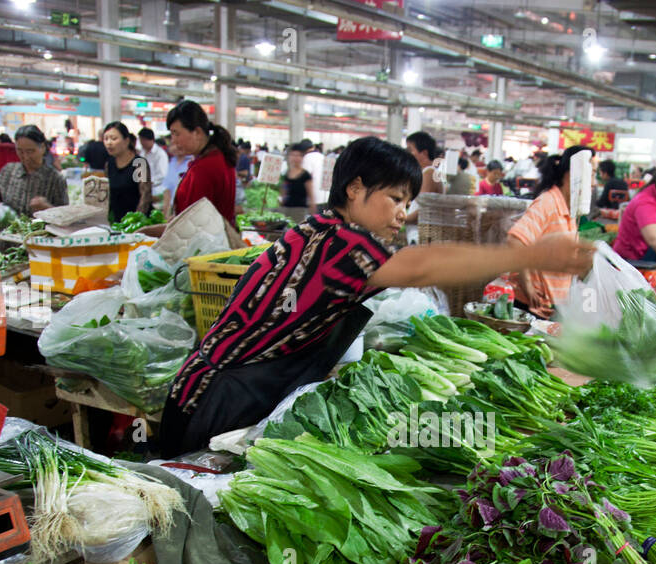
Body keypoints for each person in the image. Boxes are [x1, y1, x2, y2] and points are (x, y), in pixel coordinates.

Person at [157, 136, 594, 457]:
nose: (402, 213)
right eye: (395, 198)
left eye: (408, 202)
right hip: (214, 400)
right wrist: (534, 253)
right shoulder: (342, 243)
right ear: (354, 188)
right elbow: (420, 265)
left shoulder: (319, 231)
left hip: (210, 390)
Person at [506, 146, 593, 319]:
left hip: (550, 310)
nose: (594, 182)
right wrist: (528, 284)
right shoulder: (548, 203)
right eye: (592, 173)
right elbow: (516, 239)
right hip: (530, 309)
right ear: (572, 174)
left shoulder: (568, 209)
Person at [166, 100, 238, 228]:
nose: (174, 140)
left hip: (203, 245)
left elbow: (193, 226)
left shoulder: (203, 169)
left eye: (176, 133)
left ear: (197, 132)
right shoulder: (220, 157)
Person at [0, 125, 68, 217]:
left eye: (30, 151)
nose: (25, 157)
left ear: (43, 148)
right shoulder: (8, 171)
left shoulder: (55, 179)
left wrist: (47, 208)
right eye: (20, 151)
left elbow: (64, 216)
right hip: (8, 230)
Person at [101, 122, 151, 223]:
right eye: (106, 139)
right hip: (117, 222)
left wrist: (135, 221)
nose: (109, 143)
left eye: (114, 139)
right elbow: (107, 195)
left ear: (126, 141)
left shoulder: (139, 164)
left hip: (138, 223)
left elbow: (145, 195)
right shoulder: (109, 164)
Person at [403, 130, 444, 243]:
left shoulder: (429, 174)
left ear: (424, 153)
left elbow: (423, 212)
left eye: (410, 150)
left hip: (421, 238)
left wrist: (398, 219)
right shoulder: (427, 173)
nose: (408, 154)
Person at [280, 145, 315, 216]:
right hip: (285, 210)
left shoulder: (306, 175)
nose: (295, 158)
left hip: (300, 210)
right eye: (293, 155)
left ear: (302, 157)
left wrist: (313, 213)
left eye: (298, 155)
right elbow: (283, 192)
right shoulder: (285, 174)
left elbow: (311, 196)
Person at [162, 137, 191, 219]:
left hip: (186, 209)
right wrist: (165, 213)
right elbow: (167, 189)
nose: (176, 147)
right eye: (173, 144)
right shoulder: (171, 162)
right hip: (173, 208)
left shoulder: (191, 162)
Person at [138, 127, 169, 198]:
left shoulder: (160, 154)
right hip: (143, 190)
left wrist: (148, 182)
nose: (141, 142)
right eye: (140, 140)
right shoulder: (142, 153)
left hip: (156, 191)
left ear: (150, 139)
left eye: (143, 140)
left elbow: (162, 175)